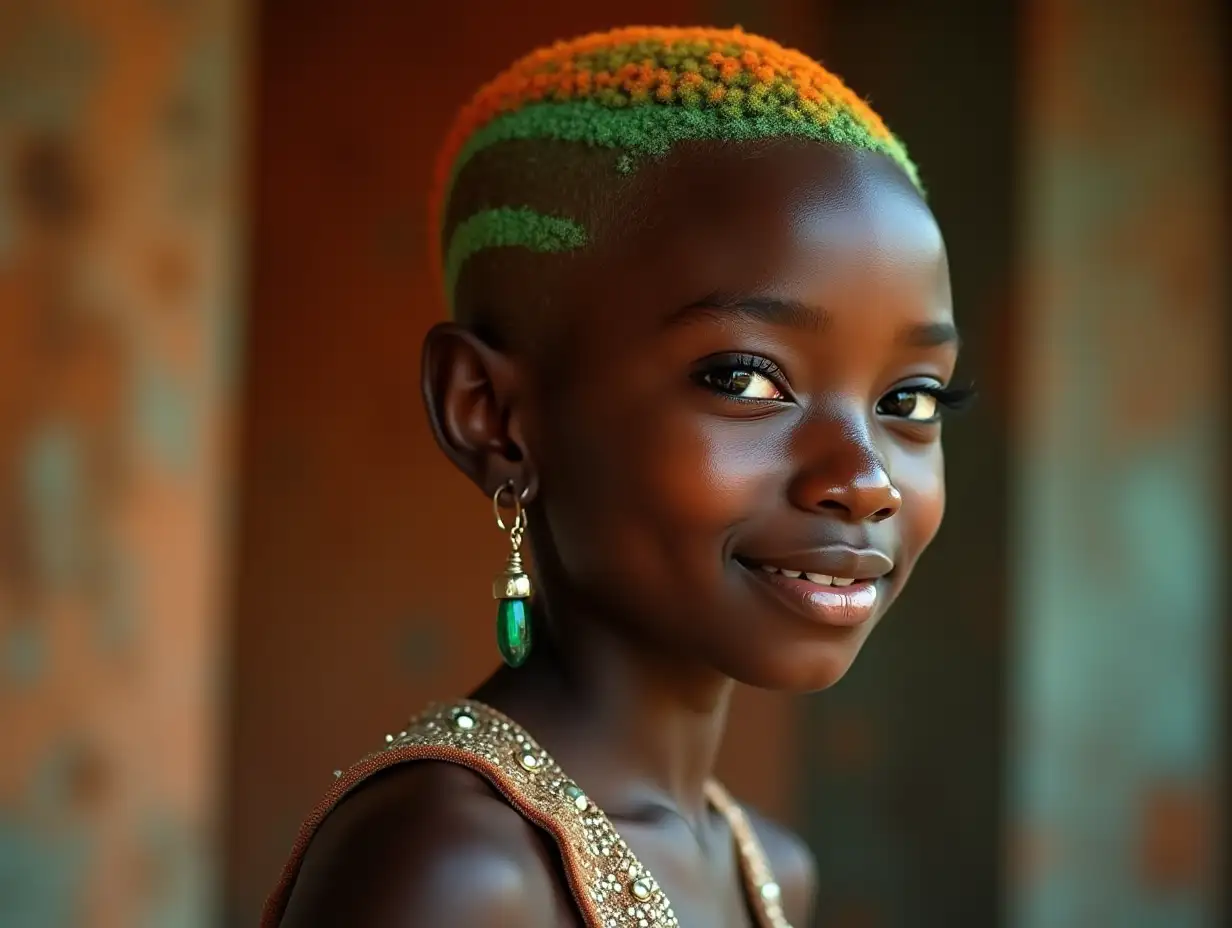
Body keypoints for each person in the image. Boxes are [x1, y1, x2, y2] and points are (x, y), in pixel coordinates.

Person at [264, 24, 970, 928]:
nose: (866, 480)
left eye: (911, 400)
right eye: (745, 380)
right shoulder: (454, 872)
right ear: (492, 413)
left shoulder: (771, 871)